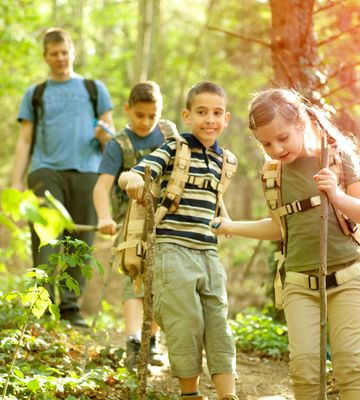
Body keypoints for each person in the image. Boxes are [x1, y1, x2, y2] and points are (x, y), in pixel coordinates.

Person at [211, 88, 360, 400]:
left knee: (350, 367)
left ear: (300, 121)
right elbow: (280, 227)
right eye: (267, 143)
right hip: (300, 283)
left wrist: (336, 196)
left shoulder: (337, 158)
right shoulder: (273, 174)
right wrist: (232, 226)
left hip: (348, 278)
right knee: (304, 371)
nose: (276, 148)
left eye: (283, 137)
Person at [118, 81, 239, 400]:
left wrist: (225, 221)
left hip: (209, 252)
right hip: (173, 249)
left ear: (226, 119)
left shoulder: (225, 159)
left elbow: (214, 196)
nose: (209, 120)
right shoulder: (175, 148)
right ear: (187, 116)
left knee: (218, 321)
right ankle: (191, 393)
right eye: (201, 112)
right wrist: (132, 180)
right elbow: (139, 171)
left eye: (216, 113)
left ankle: (228, 394)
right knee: (185, 320)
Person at [11, 27, 114, 328]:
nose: (60, 58)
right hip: (45, 170)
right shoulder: (36, 93)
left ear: (73, 52)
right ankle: (40, 308)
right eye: (53, 54)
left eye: (64, 52)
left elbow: (111, 136)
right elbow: (24, 140)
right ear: (45, 57)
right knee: (46, 238)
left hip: (87, 172)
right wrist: (17, 180)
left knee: (80, 241)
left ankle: (70, 308)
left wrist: (103, 134)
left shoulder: (94, 89)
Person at [93, 81, 169, 369]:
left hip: (165, 220)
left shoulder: (168, 134)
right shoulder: (118, 145)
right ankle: (134, 341)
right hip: (129, 224)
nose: (146, 122)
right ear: (127, 110)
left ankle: (152, 342)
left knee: (158, 282)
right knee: (134, 277)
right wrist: (104, 216)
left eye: (153, 115)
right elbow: (102, 187)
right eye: (140, 115)